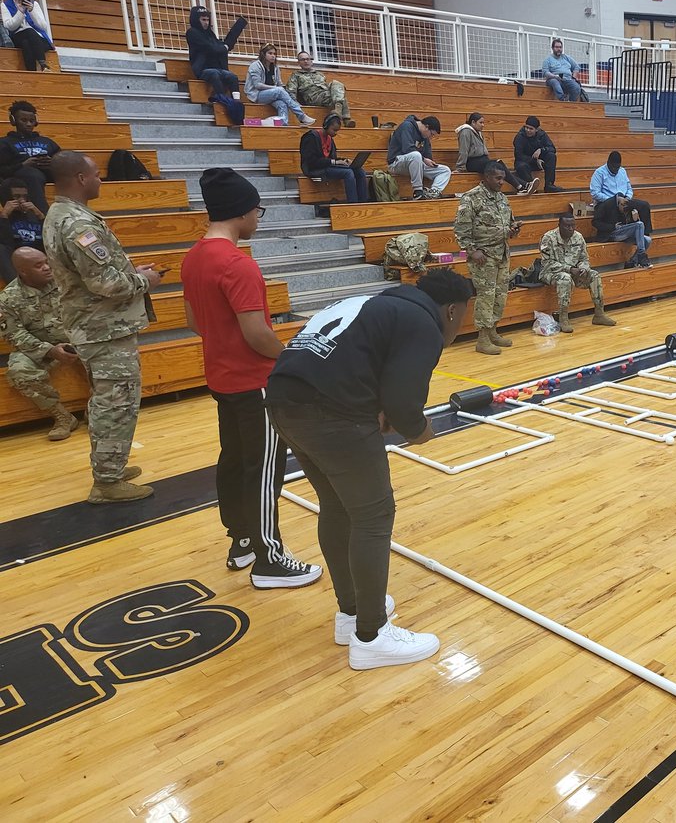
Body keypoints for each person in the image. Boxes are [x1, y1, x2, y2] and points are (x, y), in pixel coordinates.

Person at [266, 268, 473, 670]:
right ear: (452, 310)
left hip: (282, 401)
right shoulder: (422, 322)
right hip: (332, 412)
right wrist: (421, 430)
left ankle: (351, 614)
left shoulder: (376, 304)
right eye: (464, 315)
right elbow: (403, 405)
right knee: (373, 515)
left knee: (338, 507)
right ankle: (372, 635)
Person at [181, 168, 323, 586]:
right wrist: (290, 360)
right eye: (258, 211)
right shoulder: (236, 264)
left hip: (221, 379)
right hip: (255, 383)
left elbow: (194, 322)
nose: (258, 220)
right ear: (242, 211)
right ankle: (269, 559)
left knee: (235, 461)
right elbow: (258, 334)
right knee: (264, 470)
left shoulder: (194, 258)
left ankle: (242, 542)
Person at [42, 152, 162, 503]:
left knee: (107, 400)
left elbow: (91, 275)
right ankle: (107, 482)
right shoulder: (78, 223)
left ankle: (110, 467)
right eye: (96, 174)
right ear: (81, 178)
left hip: (96, 325)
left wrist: (131, 272)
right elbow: (105, 283)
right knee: (116, 402)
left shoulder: (60, 214)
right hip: (104, 328)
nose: (100, 179)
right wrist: (145, 280)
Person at [0, 246, 80, 440]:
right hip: (38, 348)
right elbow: (14, 334)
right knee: (20, 370)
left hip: (75, 339)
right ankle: (63, 417)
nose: (47, 267)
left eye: (46, 262)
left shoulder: (66, 282)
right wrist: (50, 350)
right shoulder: (8, 298)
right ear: (23, 271)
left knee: (105, 354)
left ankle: (97, 409)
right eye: (38, 265)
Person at [454, 160, 520, 355]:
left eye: (503, 178)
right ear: (487, 177)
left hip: (502, 253)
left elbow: (508, 223)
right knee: (486, 296)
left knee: (500, 295)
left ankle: (492, 331)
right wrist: (471, 250)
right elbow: (461, 229)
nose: (502, 182)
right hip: (483, 256)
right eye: (498, 178)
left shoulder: (502, 198)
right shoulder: (471, 198)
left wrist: (513, 229)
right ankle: (482, 339)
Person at [539, 214, 615, 332]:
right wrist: (569, 269)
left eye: (573, 225)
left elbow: (584, 259)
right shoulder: (548, 238)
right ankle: (563, 318)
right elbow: (547, 263)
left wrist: (583, 268)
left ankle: (599, 314)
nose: (570, 229)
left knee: (594, 275)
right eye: (567, 226)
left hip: (573, 272)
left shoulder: (578, 237)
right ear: (559, 225)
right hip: (550, 273)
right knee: (565, 278)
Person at [0, 100, 61, 213]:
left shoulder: (47, 141)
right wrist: (23, 165)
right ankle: (42, 215)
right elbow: (2, 171)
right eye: (24, 120)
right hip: (24, 176)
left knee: (72, 166)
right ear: (13, 120)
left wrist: (53, 162)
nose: (28, 124)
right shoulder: (4, 143)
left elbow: (63, 160)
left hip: (47, 172)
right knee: (31, 174)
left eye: (31, 121)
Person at [455, 113, 535, 194]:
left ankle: (523, 186)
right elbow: (463, 150)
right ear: (473, 122)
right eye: (481, 122)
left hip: (482, 160)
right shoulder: (465, 132)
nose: (483, 125)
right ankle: (522, 186)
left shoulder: (478, 132)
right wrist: (460, 168)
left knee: (499, 165)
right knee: (497, 165)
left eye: (483, 123)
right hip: (473, 162)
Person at [300, 114, 368, 203]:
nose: (335, 133)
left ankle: (363, 203)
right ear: (326, 125)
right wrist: (334, 162)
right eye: (334, 130)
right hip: (315, 169)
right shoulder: (311, 137)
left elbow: (332, 159)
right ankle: (353, 203)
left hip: (327, 166)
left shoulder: (329, 139)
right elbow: (312, 161)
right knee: (348, 173)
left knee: (360, 171)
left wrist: (343, 160)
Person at [246, 45, 316, 126]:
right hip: (257, 95)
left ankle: (283, 123)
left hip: (272, 94)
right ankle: (301, 116)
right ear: (263, 54)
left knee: (282, 104)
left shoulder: (275, 68)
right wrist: (276, 88)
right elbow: (257, 85)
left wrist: (283, 90)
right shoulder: (255, 65)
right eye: (270, 53)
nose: (273, 56)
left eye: (274, 54)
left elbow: (279, 84)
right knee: (279, 91)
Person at [186, 6, 246, 100]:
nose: (206, 23)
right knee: (214, 74)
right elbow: (211, 48)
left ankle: (236, 100)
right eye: (203, 20)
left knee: (233, 77)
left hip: (218, 68)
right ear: (196, 20)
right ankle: (221, 97)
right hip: (202, 69)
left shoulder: (210, 34)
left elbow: (219, 46)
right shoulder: (192, 32)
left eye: (207, 20)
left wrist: (226, 46)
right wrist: (225, 47)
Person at [387, 114, 451, 200]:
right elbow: (407, 149)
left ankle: (433, 192)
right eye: (431, 134)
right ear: (426, 127)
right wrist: (424, 159)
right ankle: (418, 191)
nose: (431, 137)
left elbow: (428, 155)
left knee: (445, 170)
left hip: (416, 163)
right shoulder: (407, 126)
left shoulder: (424, 136)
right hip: (396, 163)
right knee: (416, 155)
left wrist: (431, 163)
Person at [287, 51, 354, 127]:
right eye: (303, 59)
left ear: (311, 61)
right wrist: (296, 104)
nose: (306, 61)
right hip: (313, 97)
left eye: (308, 59)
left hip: (325, 95)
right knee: (340, 94)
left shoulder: (319, 74)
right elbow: (291, 91)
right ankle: (345, 118)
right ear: (298, 63)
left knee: (336, 84)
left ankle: (339, 111)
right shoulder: (296, 75)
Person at [590, 151, 653, 231]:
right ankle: (618, 233)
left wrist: (627, 198)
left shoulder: (622, 171)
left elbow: (629, 189)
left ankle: (645, 233)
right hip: (607, 201)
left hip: (624, 199)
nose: (616, 170)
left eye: (618, 167)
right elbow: (595, 193)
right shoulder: (599, 173)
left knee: (644, 205)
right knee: (614, 209)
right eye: (613, 167)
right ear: (608, 163)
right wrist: (615, 200)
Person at [2, 0, 53, 72]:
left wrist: (32, 10)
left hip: (37, 39)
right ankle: (43, 64)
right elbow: (9, 26)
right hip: (17, 36)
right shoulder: (5, 5)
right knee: (28, 31)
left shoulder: (34, 4)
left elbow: (43, 26)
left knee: (26, 43)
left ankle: (32, 71)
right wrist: (20, 12)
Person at [1, 177, 46, 281]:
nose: (22, 200)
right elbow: (6, 244)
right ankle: (16, 285)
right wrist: (4, 216)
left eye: (25, 196)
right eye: (16, 197)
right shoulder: (3, 219)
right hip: (16, 261)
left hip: (39, 257)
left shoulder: (36, 215)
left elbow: (50, 240)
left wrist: (40, 216)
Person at [592, 194, 652, 268]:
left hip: (624, 232)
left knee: (647, 240)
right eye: (624, 209)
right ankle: (641, 255)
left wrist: (635, 219)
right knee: (639, 224)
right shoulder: (606, 204)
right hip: (610, 233)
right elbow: (595, 222)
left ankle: (632, 262)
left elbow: (631, 225)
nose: (624, 212)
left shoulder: (627, 205)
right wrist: (613, 226)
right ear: (620, 204)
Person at [513, 116, 562, 192]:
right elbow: (519, 155)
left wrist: (541, 150)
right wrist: (534, 161)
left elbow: (552, 148)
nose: (528, 130)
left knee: (551, 156)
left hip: (539, 163)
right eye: (526, 127)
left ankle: (549, 185)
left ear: (537, 129)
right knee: (521, 166)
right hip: (525, 162)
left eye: (531, 129)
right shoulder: (520, 137)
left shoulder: (542, 134)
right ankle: (530, 186)